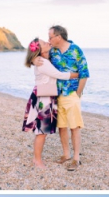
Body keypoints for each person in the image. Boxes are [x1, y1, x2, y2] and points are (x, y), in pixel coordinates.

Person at [22, 38, 78, 169]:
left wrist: (32, 59)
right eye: (43, 43)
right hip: (44, 99)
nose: (48, 42)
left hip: (45, 96)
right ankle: (37, 160)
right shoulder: (43, 63)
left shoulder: (44, 59)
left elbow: (66, 43)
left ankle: (37, 159)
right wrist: (78, 74)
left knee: (42, 131)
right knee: (41, 132)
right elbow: (60, 75)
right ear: (40, 50)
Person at [47, 25, 90, 171]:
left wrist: (78, 93)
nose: (49, 40)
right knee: (62, 126)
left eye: (50, 37)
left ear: (58, 37)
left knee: (74, 127)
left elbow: (84, 73)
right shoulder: (52, 51)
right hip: (56, 94)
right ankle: (66, 154)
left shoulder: (75, 50)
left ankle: (76, 158)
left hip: (71, 94)